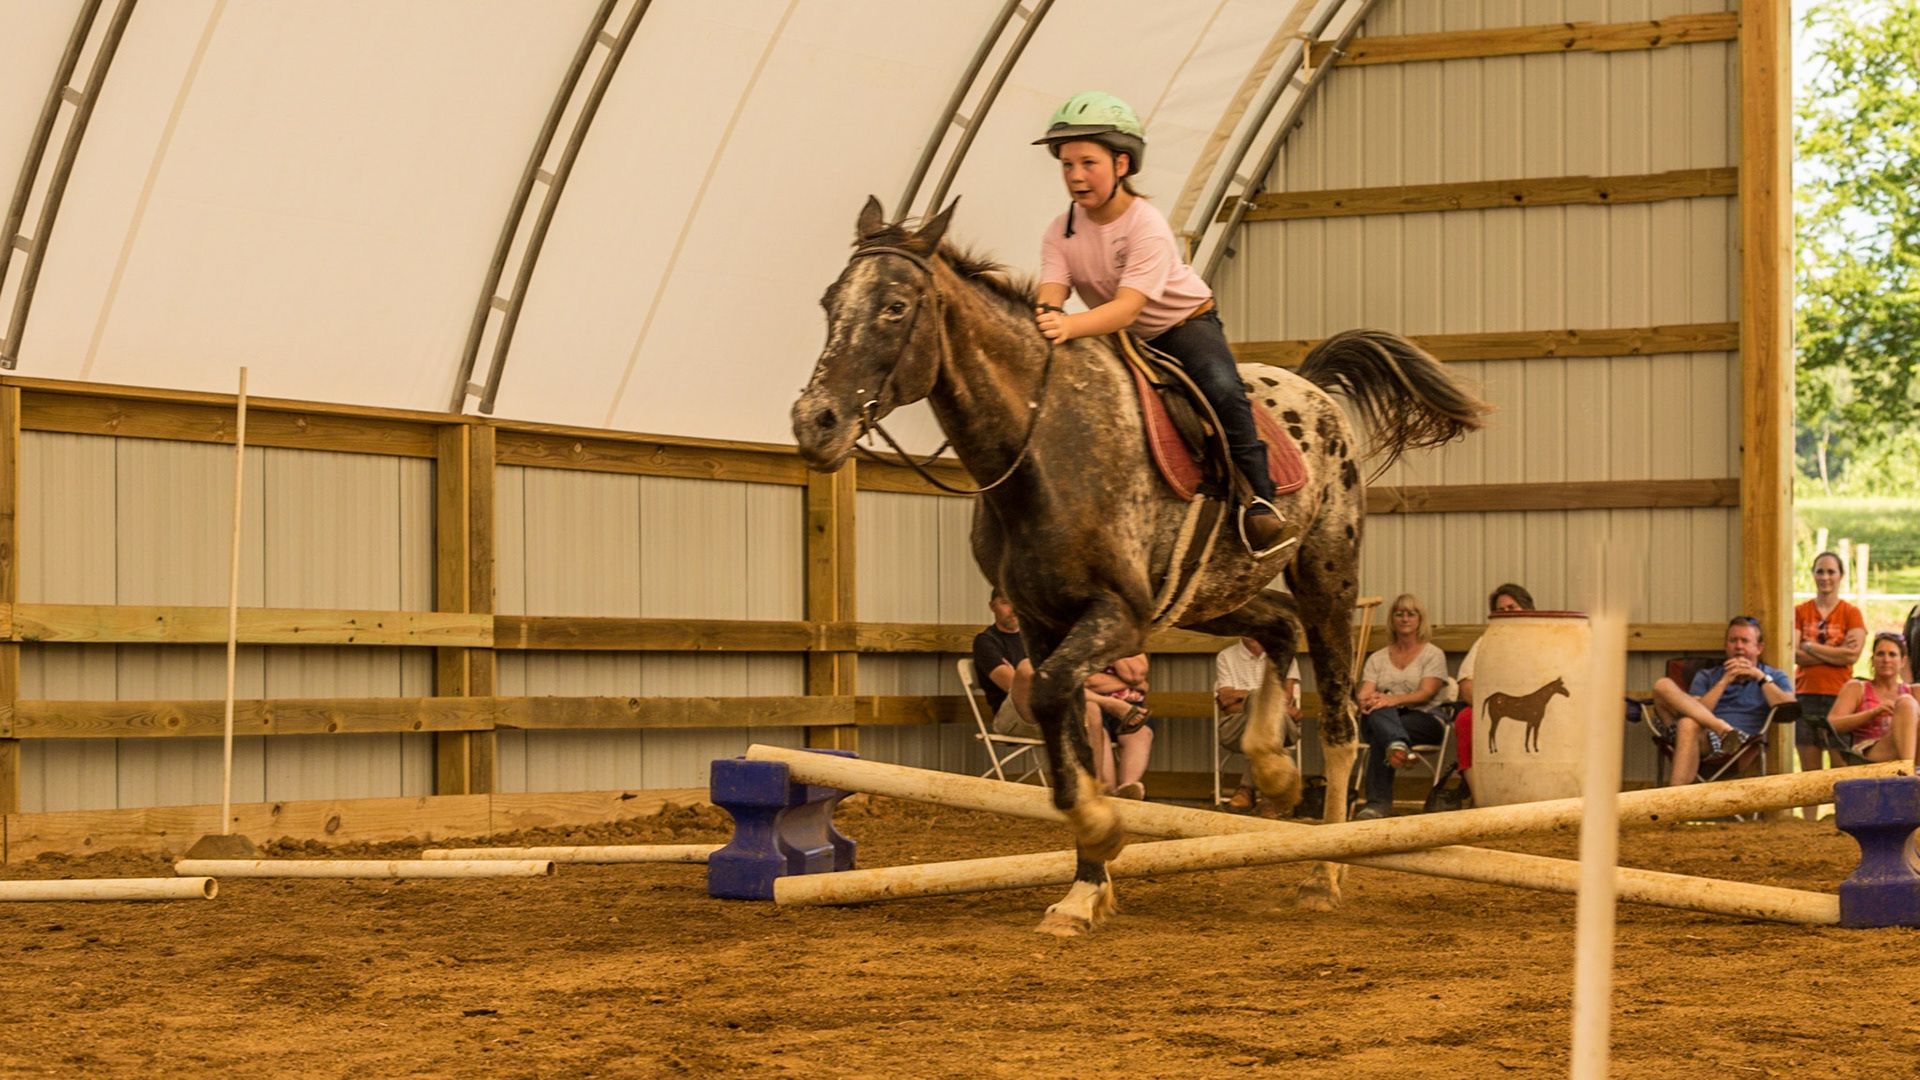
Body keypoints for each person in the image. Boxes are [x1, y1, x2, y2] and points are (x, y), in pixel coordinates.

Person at [1030, 91, 1293, 558]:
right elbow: (1052, 288)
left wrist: (1067, 327)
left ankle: (1259, 500)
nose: (1074, 176)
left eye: (1087, 162)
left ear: (1123, 164)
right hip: (1114, 335)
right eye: (1066, 164)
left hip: (1180, 326)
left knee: (1221, 387)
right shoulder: (1059, 229)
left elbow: (1128, 308)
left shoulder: (1146, 224)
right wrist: (1046, 317)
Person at [1651, 616, 1795, 786]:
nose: (1739, 646)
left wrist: (1760, 677)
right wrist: (1724, 681)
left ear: (1759, 648)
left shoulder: (1773, 676)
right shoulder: (1707, 675)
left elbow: (1789, 707)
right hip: (1700, 737)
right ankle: (1721, 728)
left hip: (1740, 744)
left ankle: (1673, 806)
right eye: (1733, 640)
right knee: (1663, 685)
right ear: (1726, 646)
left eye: (1745, 641)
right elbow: (1696, 710)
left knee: (1688, 724)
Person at [1354, 593, 1450, 819]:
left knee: (1381, 730)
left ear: (1419, 619)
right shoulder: (1377, 658)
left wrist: (1390, 700)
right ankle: (1397, 745)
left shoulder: (1433, 654)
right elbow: (1365, 694)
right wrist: (1368, 700)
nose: (1405, 619)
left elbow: (1426, 694)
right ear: (1392, 620)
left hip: (1423, 720)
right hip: (1383, 717)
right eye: (1399, 614)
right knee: (1380, 715)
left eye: (1411, 614)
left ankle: (1377, 806)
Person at [1453, 583, 1535, 805]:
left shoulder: (1543, 639)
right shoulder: (1485, 642)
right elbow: (1466, 682)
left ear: (1526, 609)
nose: (1506, 614)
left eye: (1512, 608)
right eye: (1501, 610)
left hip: (1533, 708)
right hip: (1496, 707)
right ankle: (1482, 802)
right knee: (1466, 719)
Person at [1793, 551, 1867, 774]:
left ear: (1841, 576)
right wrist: (1836, 650)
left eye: (1831, 572)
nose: (1825, 577)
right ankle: (1808, 811)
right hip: (1806, 692)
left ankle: (1841, 810)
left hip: (1840, 695)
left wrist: (1809, 646)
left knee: (1841, 766)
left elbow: (1851, 656)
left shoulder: (1851, 613)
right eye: (1820, 571)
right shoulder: (1800, 612)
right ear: (1813, 575)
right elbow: (1794, 654)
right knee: (1810, 770)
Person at [1214, 637, 1303, 811]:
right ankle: (1271, 793)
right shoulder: (1226, 656)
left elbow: (1285, 698)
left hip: (1280, 726)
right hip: (1236, 727)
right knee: (1262, 704)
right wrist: (1262, 698)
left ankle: (1246, 788)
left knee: (1263, 708)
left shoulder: (1285, 655)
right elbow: (1227, 704)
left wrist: (1241, 696)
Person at [1823, 632, 1918, 765]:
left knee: (1907, 703)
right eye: (1880, 654)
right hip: (1869, 751)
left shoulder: (1914, 691)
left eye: (1892, 654)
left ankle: (1910, 769)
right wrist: (1874, 712)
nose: (1886, 660)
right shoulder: (1857, 688)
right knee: (1906, 703)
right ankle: (1909, 774)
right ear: (1872, 659)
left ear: (1903, 661)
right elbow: (1832, 724)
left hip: (1912, 750)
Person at [971, 589, 1037, 738]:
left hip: (1044, 712)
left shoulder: (1032, 639)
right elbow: (1013, 686)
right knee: (1027, 667)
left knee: (1091, 711)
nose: (1013, 609)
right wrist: (1026, 676)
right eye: (1006, 602)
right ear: (992, 606)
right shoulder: (986, 642)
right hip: (1012, 718)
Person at [1085, 654, 1153, 799]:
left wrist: (1115, 644)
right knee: (1096, 730)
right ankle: (1108, 790)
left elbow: (1136, 675)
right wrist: (1133, 685)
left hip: (1130, 705)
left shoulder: (1128, 640)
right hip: (1091, 704)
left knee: (1141, 732)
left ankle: (1128, 788)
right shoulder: (1079, 642)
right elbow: (1089, 682)